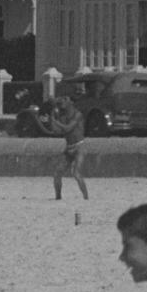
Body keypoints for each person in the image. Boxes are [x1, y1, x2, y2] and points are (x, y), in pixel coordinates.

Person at [45, 73, 94, 204]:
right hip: (69, 148)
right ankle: (58, 197)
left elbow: (68, 129)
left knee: (76, 173)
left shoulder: (77, 114)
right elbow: (55, 131)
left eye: (65, 100)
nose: (62, 102)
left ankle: (86, 198)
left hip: (79, 147)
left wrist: (55, 120)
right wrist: (52, 118)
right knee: (57, 173)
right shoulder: (61, 114)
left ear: (70, 101)